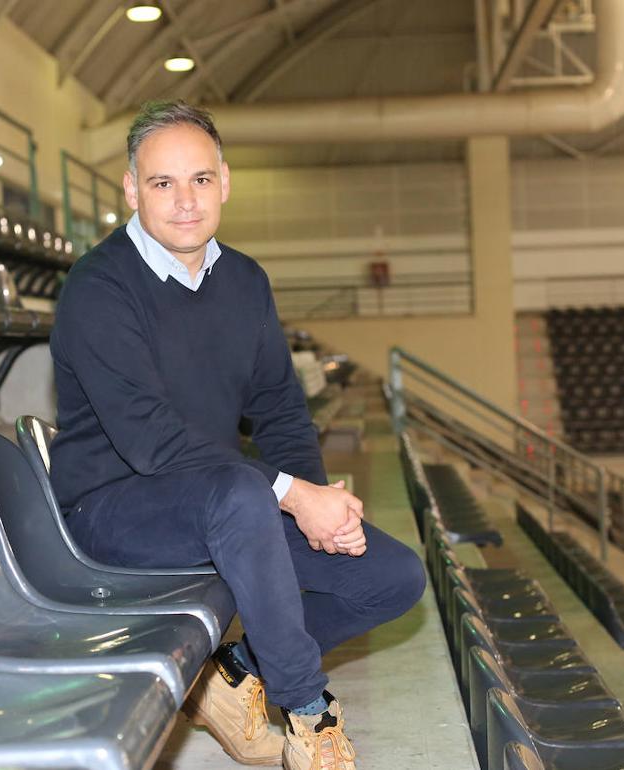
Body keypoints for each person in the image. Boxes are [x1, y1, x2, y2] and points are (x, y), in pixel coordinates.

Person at [49, 99, 425, 770]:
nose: (185, 201)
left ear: (225, 179)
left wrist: (312, 497)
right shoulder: (98, 287)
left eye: (200, 179)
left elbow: (280, 407)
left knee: (392, 577)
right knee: (244, 493)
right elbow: (150, 442)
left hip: (223, 500)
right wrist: (288, 495)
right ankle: (308, 713)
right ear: (132, 189)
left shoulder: (245, 281)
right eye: (162, 183)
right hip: (113, 508)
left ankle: (231, 674)